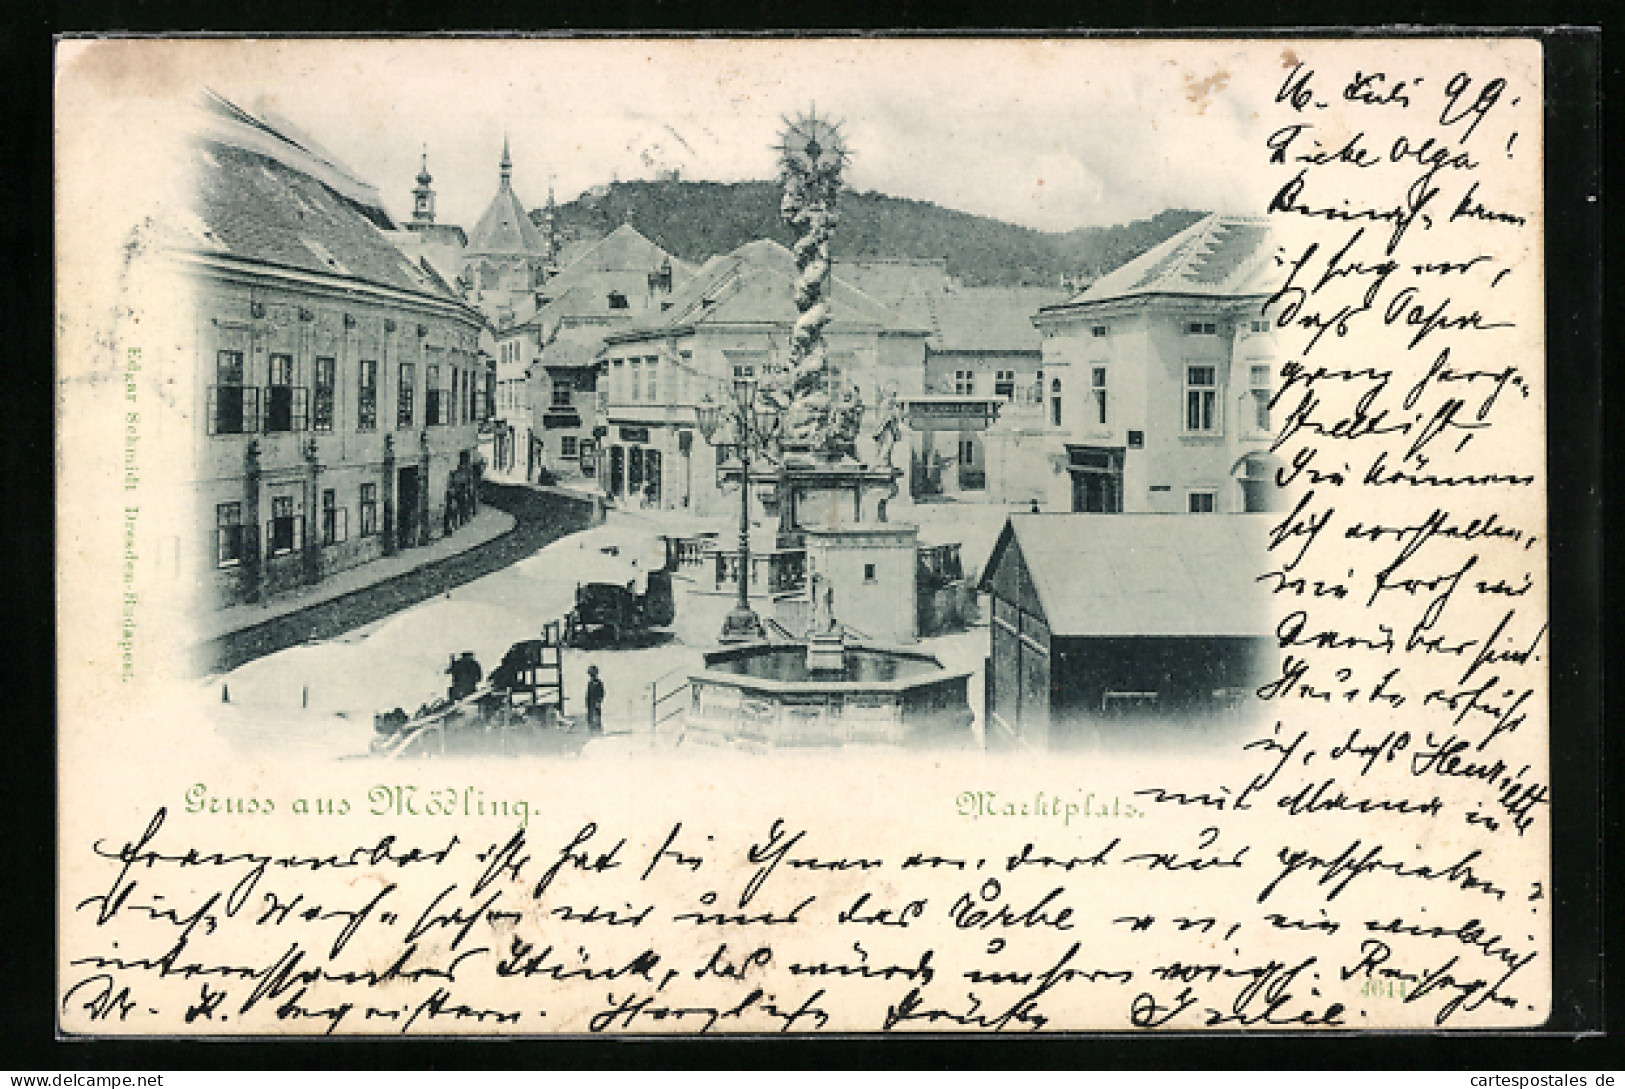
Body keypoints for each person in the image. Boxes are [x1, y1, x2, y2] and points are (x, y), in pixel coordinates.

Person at [585, 664, 604, 733]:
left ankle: (598, 731)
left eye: (592, 675)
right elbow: (588, 694)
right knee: (590, 718)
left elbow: (601, 694)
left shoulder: (598, 683)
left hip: (596, 703)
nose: (591, 677)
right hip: (590, 704)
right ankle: (591, 731)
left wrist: (599, 701)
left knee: (597, 718)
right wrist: (587, 702)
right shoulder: (590, 683)